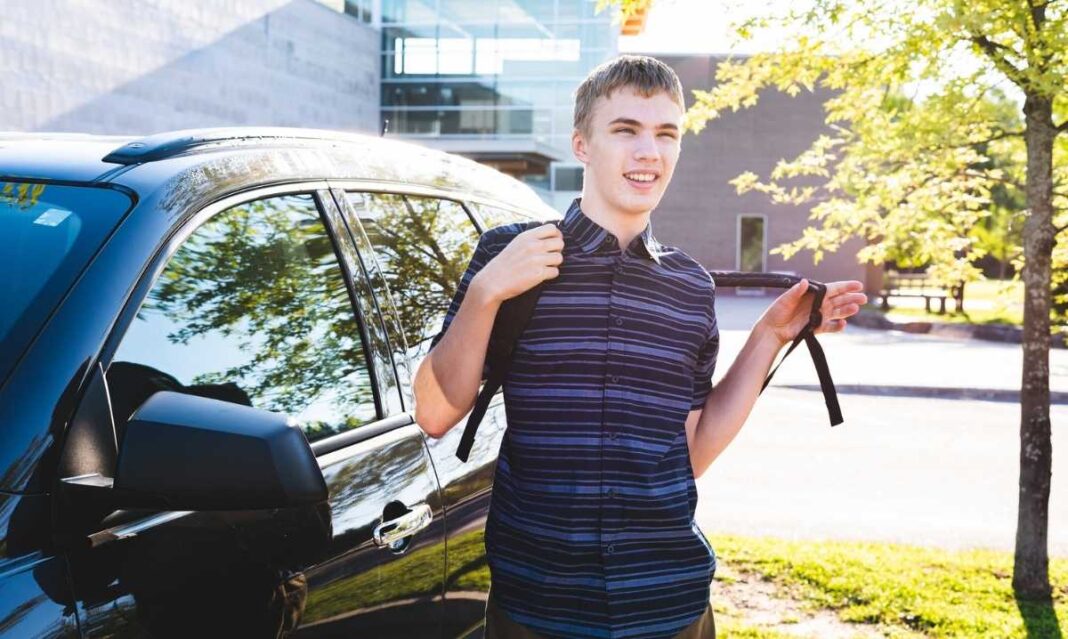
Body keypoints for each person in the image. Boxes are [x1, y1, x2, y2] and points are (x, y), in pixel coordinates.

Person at [413, 54, 867, 639]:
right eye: (625, 130)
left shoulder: (689, 286)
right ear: (582, 144)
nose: (647, 152)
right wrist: (484, 293)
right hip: (537, 606)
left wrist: (769, 336)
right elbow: (433, 412)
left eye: (665, 134)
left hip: (669, 606)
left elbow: (692, 452)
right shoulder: (510, 254)